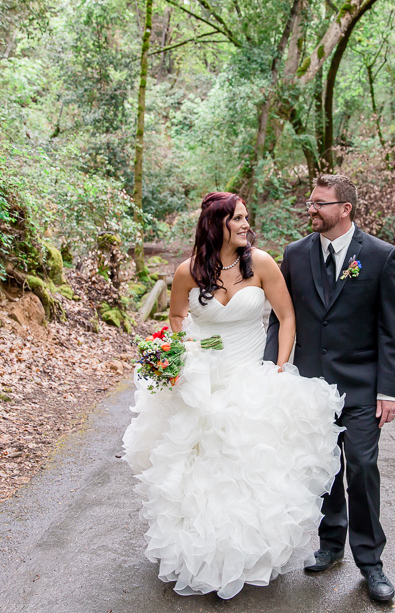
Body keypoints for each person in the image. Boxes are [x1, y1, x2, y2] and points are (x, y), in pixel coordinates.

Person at [122, 192, 344, 600]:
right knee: (198, 471)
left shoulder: (260, 263)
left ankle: (247, 556)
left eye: (245, 218)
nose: (246, 225)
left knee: (248, 468)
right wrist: (183, 350)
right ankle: (199, 553)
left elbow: (286, 316)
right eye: (238, 218)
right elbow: (176, 315)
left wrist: (280, 366)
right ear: (216, 224)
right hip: (203, 379)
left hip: (251, 377)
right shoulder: (188, 271)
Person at [264, 174, 395, 603]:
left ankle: (371, 561)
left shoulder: (380, 256)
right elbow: (279, 319)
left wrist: (389, 390)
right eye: (310, 202)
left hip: (362, 387)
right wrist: (272, 370)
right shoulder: (295, 254)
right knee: (324, 470)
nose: (311, 209)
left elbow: (392, 329)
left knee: (361, 467)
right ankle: (330, 543)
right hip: (311, 386)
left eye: (320, 203)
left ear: (345, 209)